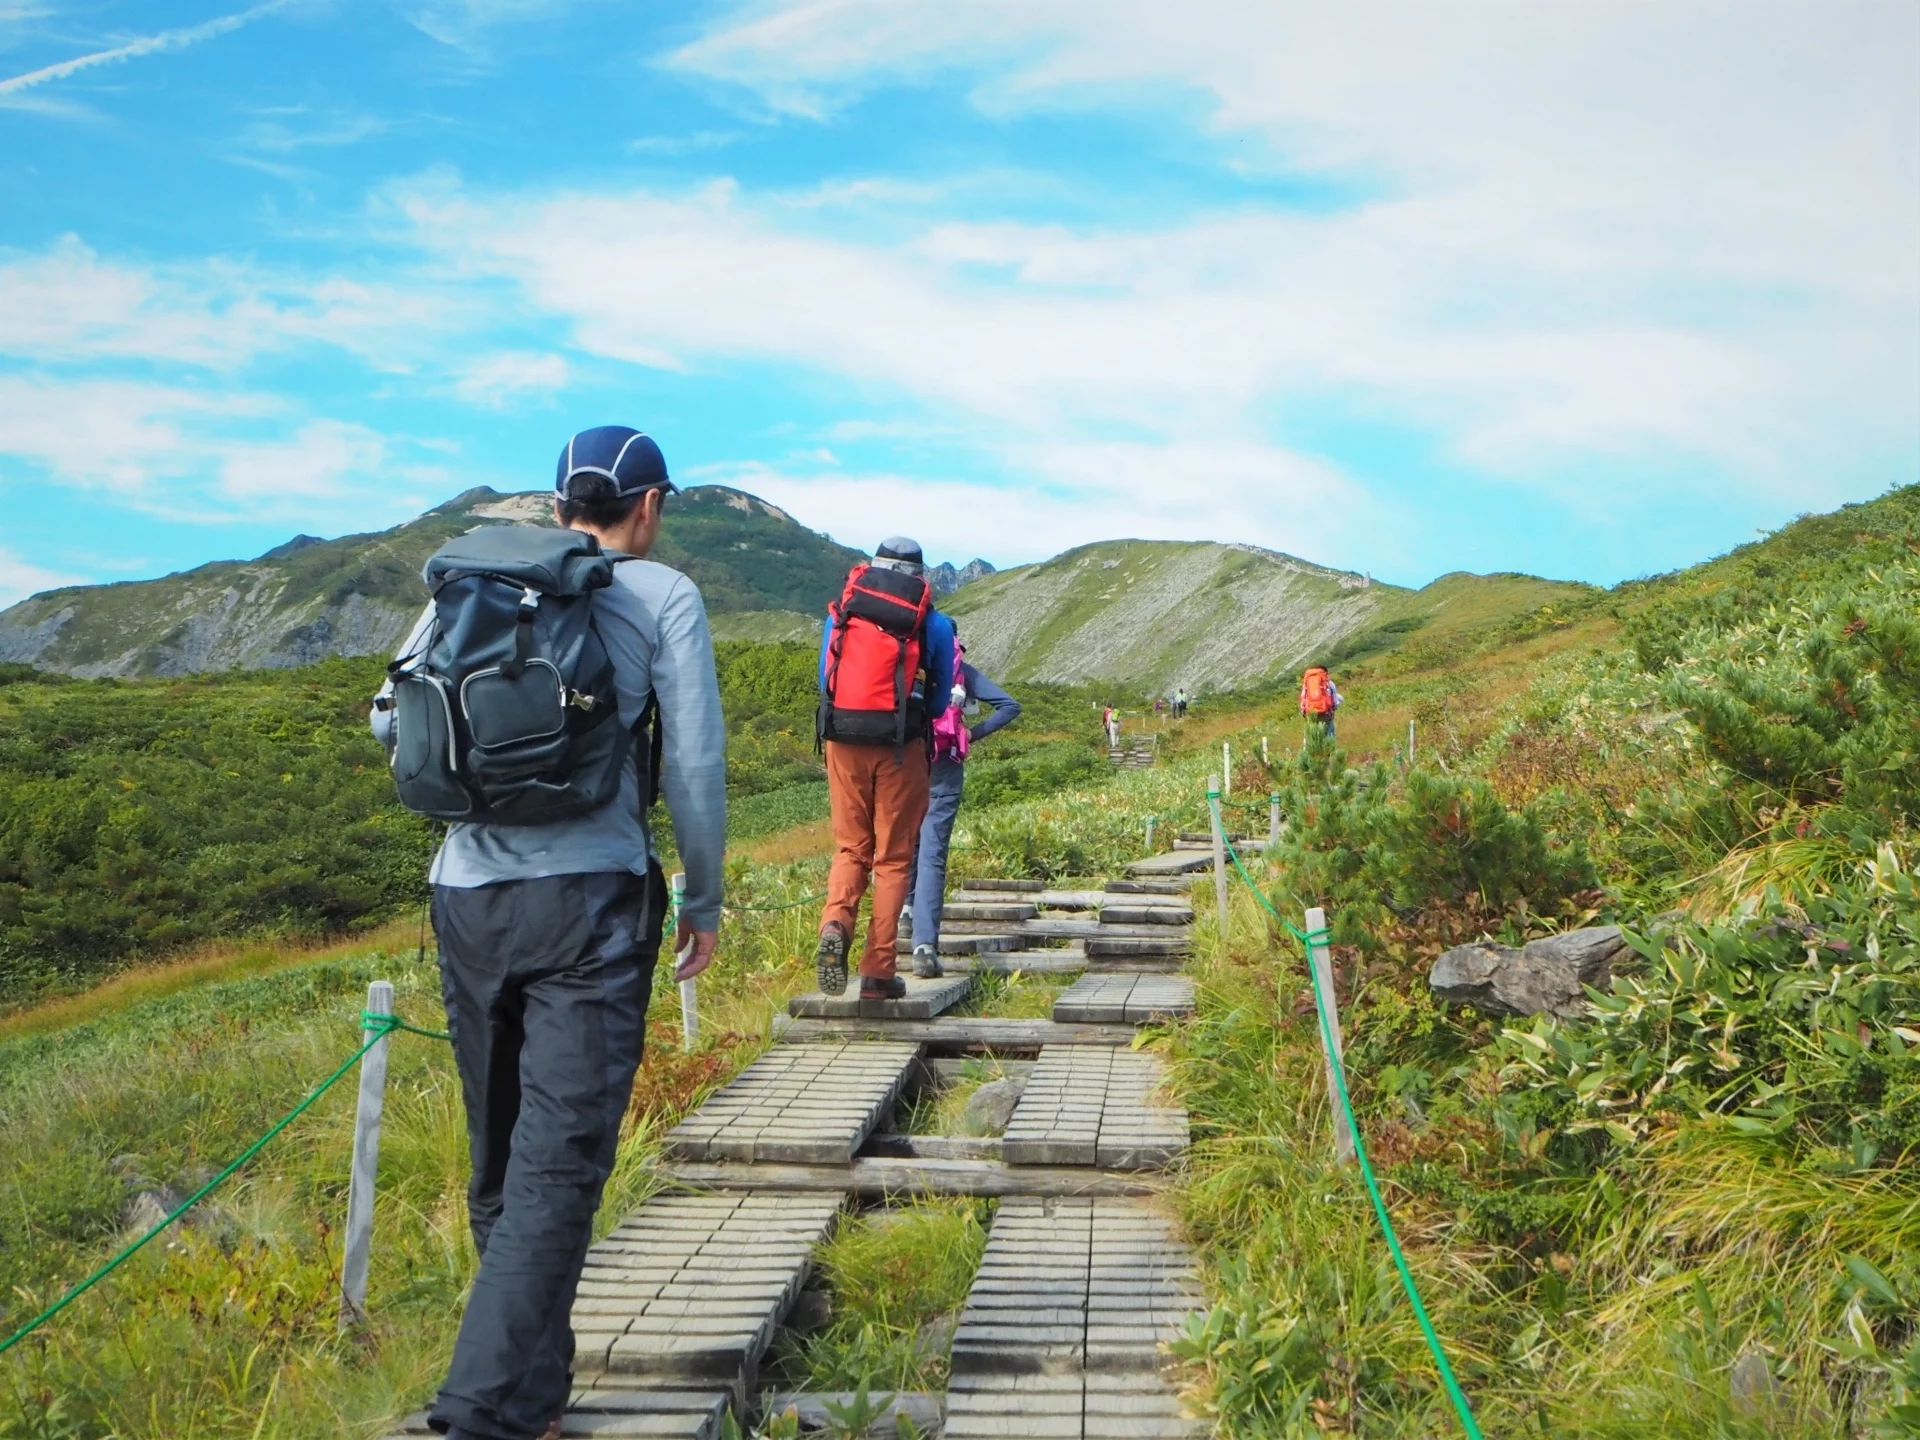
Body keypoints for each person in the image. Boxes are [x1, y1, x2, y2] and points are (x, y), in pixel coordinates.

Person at [372, 425, 725, 1440]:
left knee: (500, 1162)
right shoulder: (662, 595)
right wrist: (702, 897)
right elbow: (693, 762)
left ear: (560, 504)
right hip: (590, 906)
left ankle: (531, 1405)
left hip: (466, 900)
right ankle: (477, 1414)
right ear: (648, 507)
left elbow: (389, 719)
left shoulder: (473, 574)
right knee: (559, 1165)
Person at [815, 537, 956, 1000]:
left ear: (873, 566)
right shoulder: (933, 623)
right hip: (900, 746)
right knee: (893, 859)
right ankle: (878, 972)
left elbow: (825, 681)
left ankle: (835, 924)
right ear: (920, 575)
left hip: (843, 741)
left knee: (851, 848)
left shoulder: (843, 611)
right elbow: (938, 702)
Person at [908, 641, 1021, 976]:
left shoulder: (902, 661)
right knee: (932, 854)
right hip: (945, 766)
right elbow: (1010, 706)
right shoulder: (960, 671)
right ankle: (924, 946)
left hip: (904, 763)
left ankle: (904, 911)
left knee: (902, 843)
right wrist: (970, 734)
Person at [1300, 663, 1343, 739]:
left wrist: (1304, 713)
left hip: (1310, 714)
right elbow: (1335, 702)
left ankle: (1309, 746)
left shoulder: (1306, 684)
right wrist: (1333, 709)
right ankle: (1329, 746)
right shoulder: (1329, 683)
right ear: (1325, 673)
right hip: (1325, 713)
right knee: (1328, 735)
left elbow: (1303, 700)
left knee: (1311, 737)